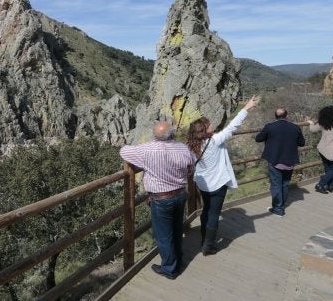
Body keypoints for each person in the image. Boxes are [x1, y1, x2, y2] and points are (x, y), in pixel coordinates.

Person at [119, 121, 195, 280]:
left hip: (161, 200)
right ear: (172, 134)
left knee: (164, 235)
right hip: (180, 195)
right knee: (176, 229)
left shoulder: (148, 149)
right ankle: (178, 260)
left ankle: (169, 269)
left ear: (155, 136)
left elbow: (124, 151)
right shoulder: (183, 148)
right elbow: (191, 167)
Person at [186, 95, 259, 255]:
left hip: (203, 184)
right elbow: (233, 126)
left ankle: (205, 238)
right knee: (213, 213)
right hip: (218, 184)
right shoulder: (215, 140)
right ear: (204, 130)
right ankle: (208, 245)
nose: (213, 125)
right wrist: (246, 108)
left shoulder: (192, 146)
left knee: (206, 210)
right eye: (209, 125)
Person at [255, 108, 305, 217]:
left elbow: (258, 139)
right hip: (290, 161)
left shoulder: (270, 126)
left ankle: (278, 209)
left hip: (275, 160)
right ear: (286, 116)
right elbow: (302, 143)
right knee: (285, 184)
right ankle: (281, 205)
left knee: (276, 184)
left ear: (275, 116)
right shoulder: (295, 127)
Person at [306, 106, 333, 194]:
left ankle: (329, 186)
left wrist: (310, 123)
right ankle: (321, 184)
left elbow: (312, 129)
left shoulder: (322, 123)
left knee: (328, 168)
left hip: (323, 149)